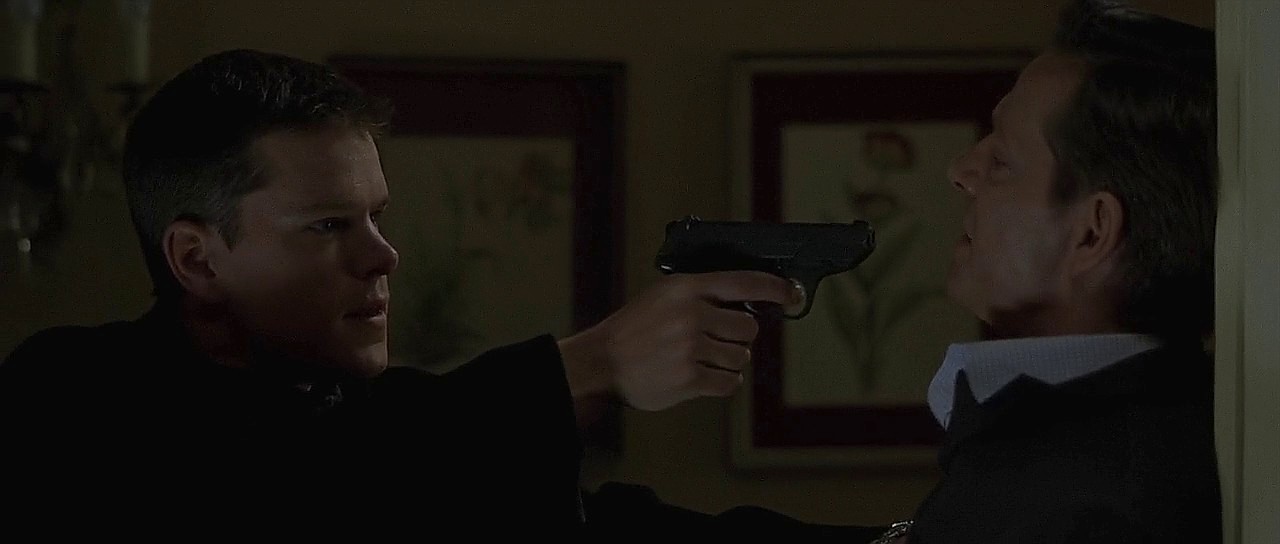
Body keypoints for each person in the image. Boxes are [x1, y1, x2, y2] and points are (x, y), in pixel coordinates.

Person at [0, 46, 836, 533]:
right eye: (328, 226)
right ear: (197, 260)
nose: (383, 256)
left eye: (376, 216)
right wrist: (595, 364)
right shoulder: (66, 398)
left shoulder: (370, 416)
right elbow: (289, 494)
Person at [895, 0, 1221, 542]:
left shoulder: (1088, 498)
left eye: (1002, 161)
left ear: (1091, 234)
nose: (961, 171)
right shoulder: (1099, 442)